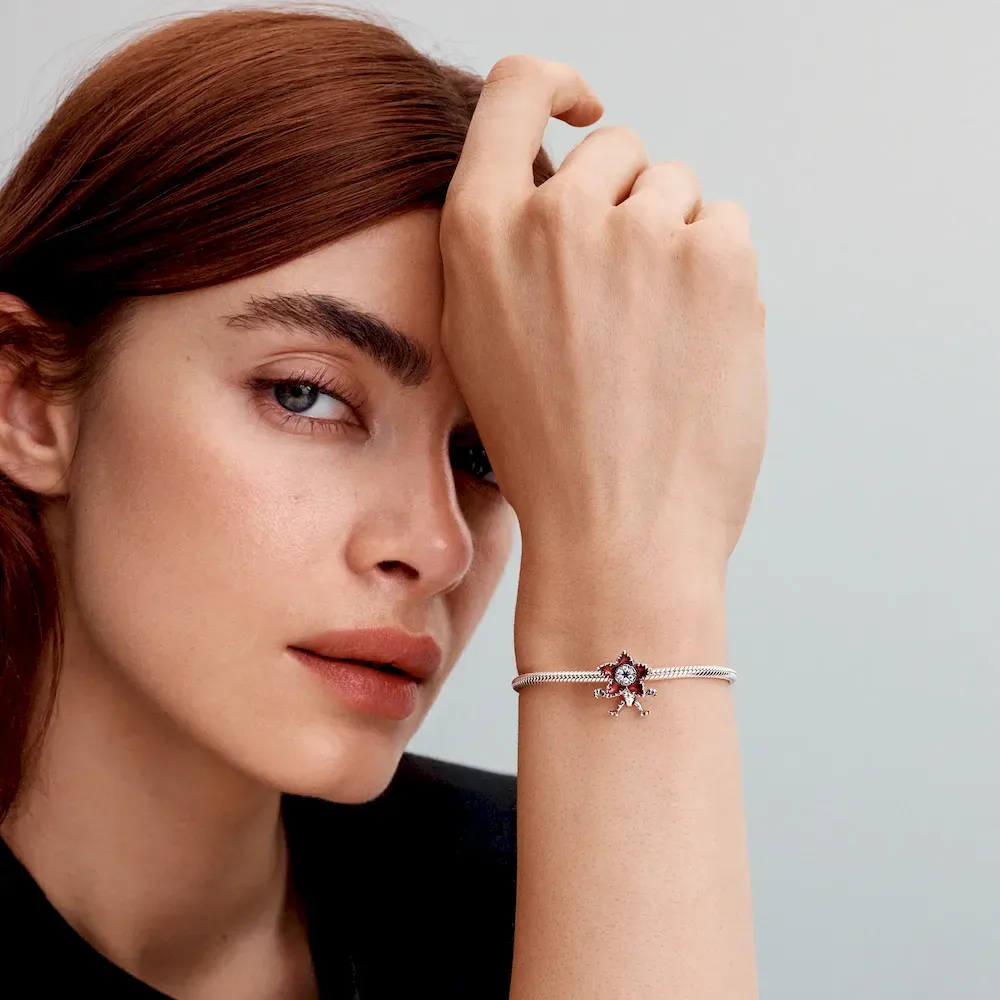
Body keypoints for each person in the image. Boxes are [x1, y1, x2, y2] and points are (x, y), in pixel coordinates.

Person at [0, 6, 766, 999]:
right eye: (304, 395)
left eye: (484, 454)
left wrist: (642, 559)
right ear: (27, 402)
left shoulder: (552, 888)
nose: (437, 546)